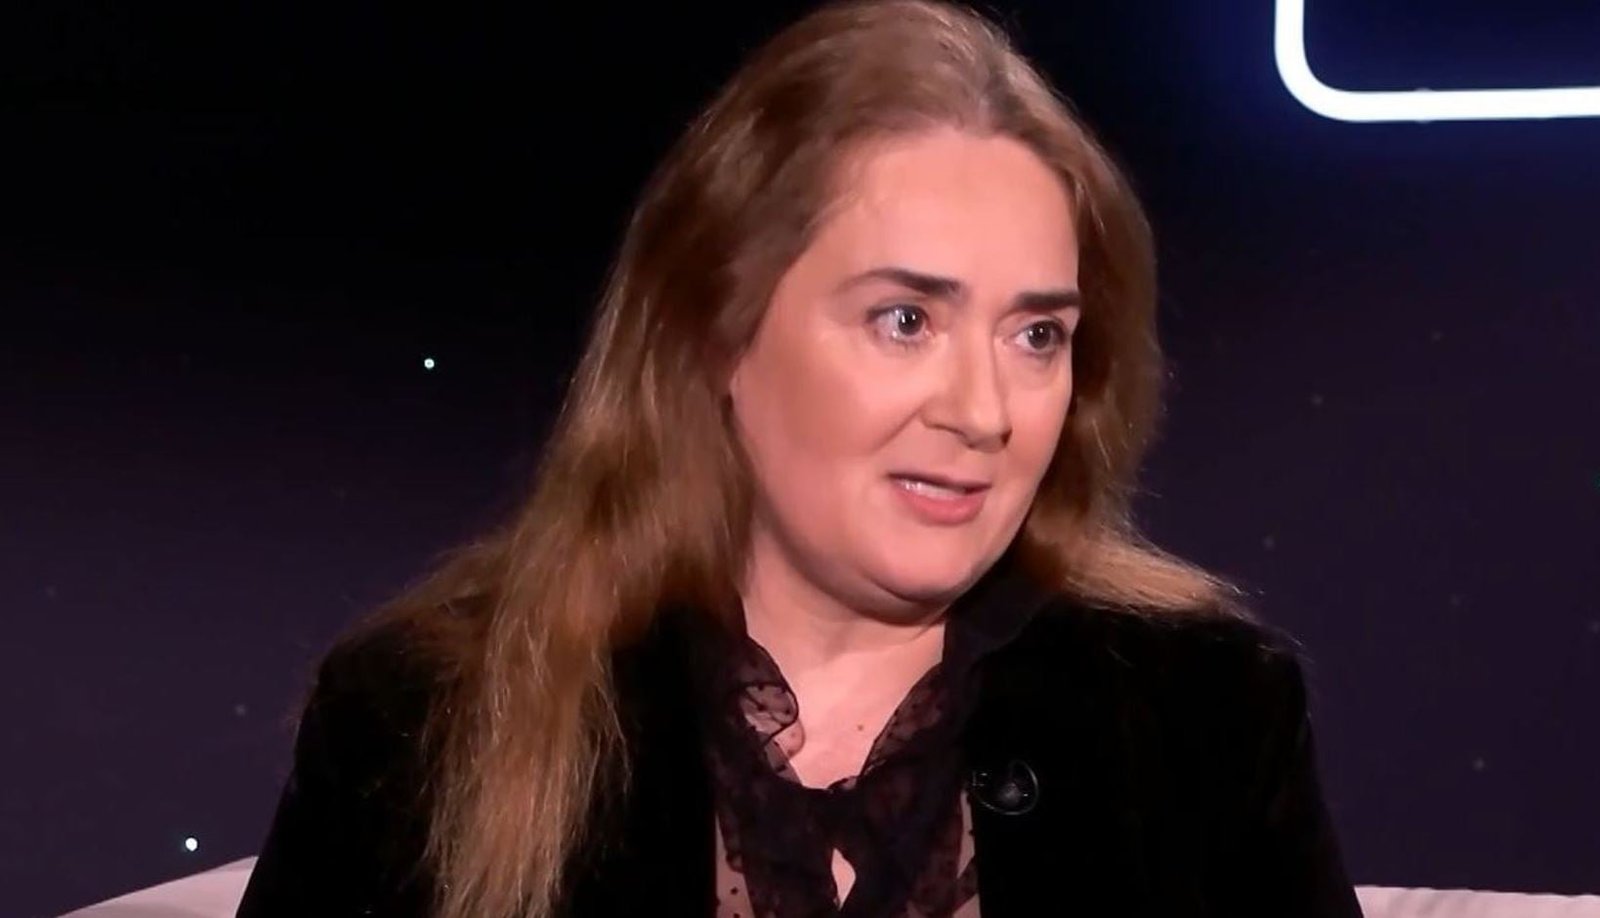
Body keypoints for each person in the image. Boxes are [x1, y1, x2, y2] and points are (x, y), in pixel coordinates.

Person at [236, 1, 1364, 916]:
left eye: (1036, 336)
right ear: (718, 335)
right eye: (905, 321)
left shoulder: (1205, 717)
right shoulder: (428, 718)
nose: (984, 413)